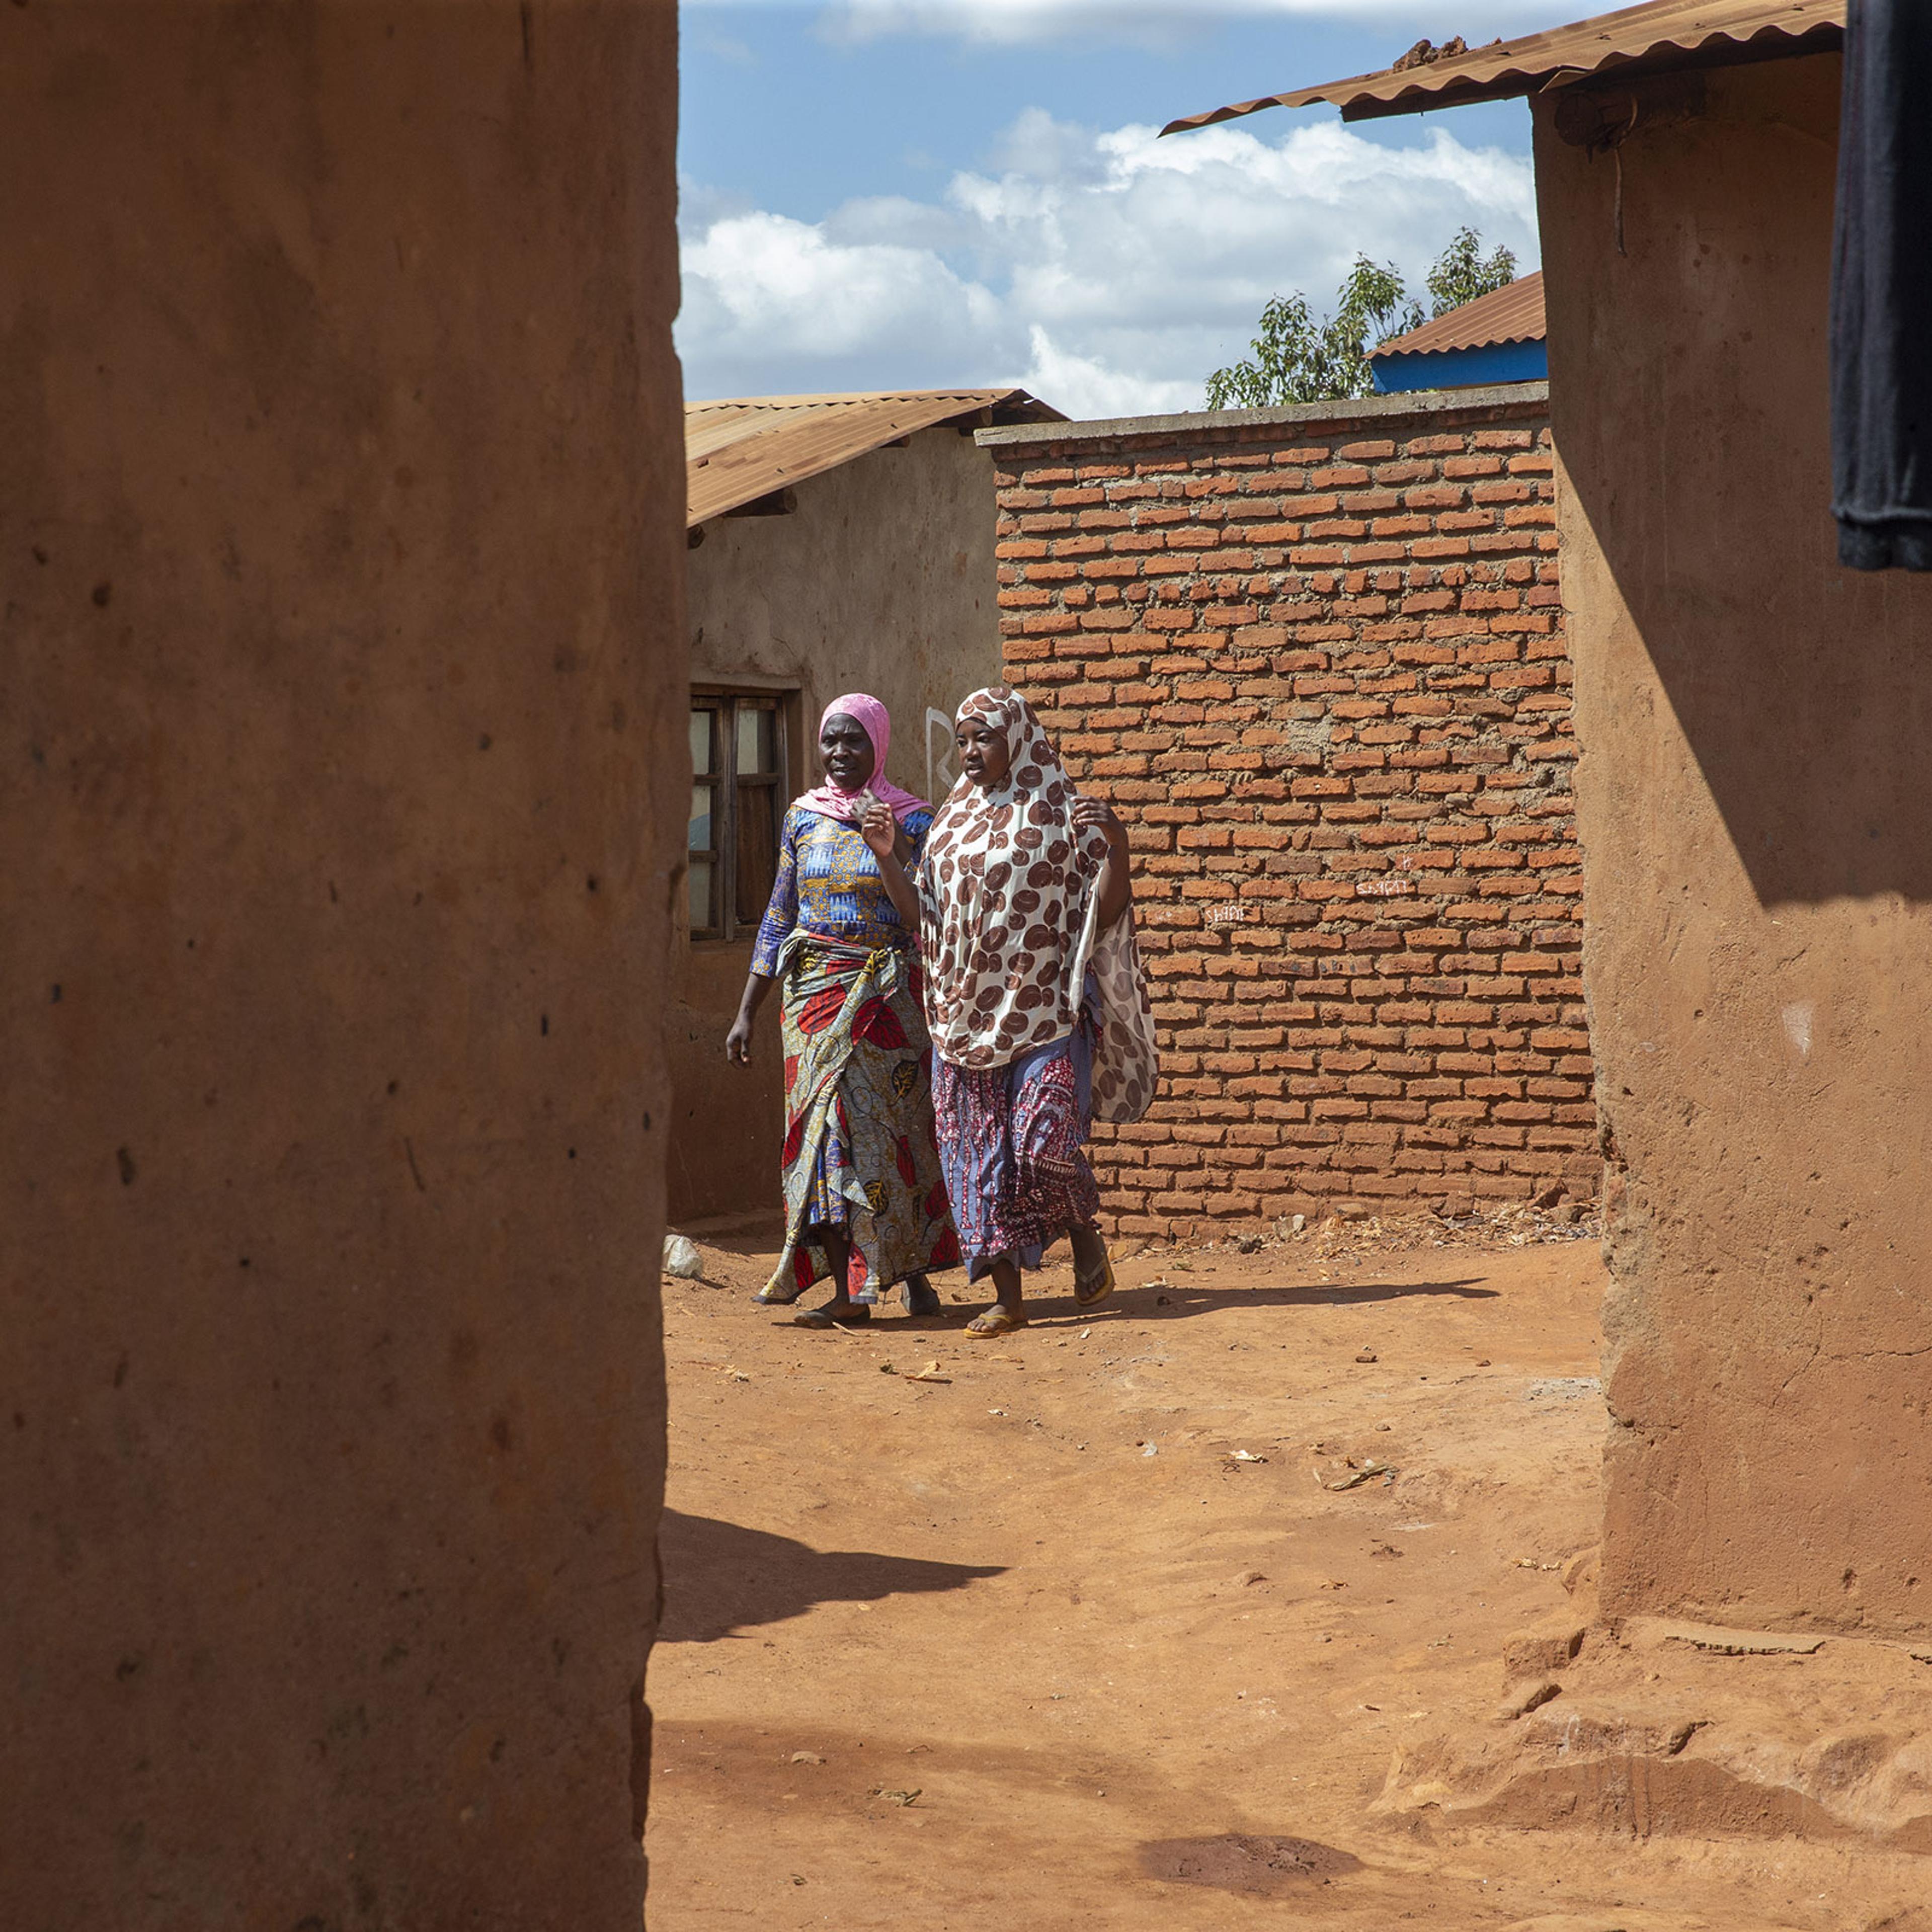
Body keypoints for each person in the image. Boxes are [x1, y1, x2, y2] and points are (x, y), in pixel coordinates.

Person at [864, 685, 1158, 1336]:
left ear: (1019, 738)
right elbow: (922, 919)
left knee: (1042, 1145)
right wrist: (889, 858)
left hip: (1043, 1012)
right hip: (962, 1019)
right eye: (963, 740)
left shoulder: (1061, 815)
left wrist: (1118, 846)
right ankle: (1009, 1299)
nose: (970, 751)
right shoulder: (949, 828)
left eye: (985, 737)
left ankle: (1082, 1229)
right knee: (978, 1162)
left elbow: (1105, 912)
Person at [726, 694, 959, 1327]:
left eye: (854, 740)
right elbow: (780, 914)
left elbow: (924, 916)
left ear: (878, 745)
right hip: (813, 1002)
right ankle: (849, 1290)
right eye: (830, 740)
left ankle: (909, 1272)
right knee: (824, 1136)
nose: (839, 752)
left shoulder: (914, 820)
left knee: (891, 1138)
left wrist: (885, 844)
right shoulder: (802, 818)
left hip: (887, 1002)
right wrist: (747, 1011)